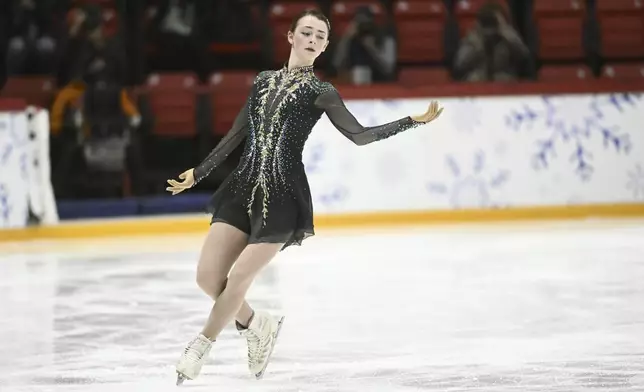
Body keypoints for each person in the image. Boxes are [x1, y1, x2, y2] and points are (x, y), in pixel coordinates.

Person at [165, 9, 443, 384]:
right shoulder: (263, 81)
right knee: (207, 277)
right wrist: (199, 173)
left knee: (239, 278)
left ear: (325, 46)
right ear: (291, 37)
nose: (312, 39)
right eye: (306, 32)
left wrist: (411, 122)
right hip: (242, 186)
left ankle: (200, 347)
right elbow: (236, 132)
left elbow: (359, 135)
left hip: (282, 196)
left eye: (320, 36)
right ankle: (257, 325)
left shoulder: (321, 92)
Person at [454, 1, 531, 82]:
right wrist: (478, 43)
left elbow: (524, 56)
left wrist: (504, 29)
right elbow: (460, 64)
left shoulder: (508, 36)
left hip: (503, 79)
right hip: (478, 79)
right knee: (473, 77)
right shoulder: (472, 38)